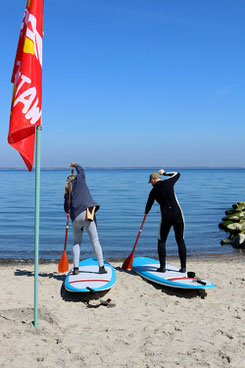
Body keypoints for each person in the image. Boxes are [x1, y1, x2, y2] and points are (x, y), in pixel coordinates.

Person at [64, 163, 107, 275]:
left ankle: (76, 268)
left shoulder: (67, 191)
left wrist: (69, 210)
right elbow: (81, 171)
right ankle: (101, 267)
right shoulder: (80, 180)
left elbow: (66, 209)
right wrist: (75, 165)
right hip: (87, 213)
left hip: (75, 218)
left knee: (77, 242)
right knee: (95, 241)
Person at [145, 169, 187, 273]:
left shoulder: (153, 191)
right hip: (178, 215)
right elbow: (177, 174)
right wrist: (164, 173)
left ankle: (162, 267)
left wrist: (146, 213)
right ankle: (183, 268)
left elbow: (148, 204)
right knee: (180, 240)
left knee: (161, 241)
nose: (151, 184)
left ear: (154, 180)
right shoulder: (168, 182)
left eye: (151, 182)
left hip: (166, 218)